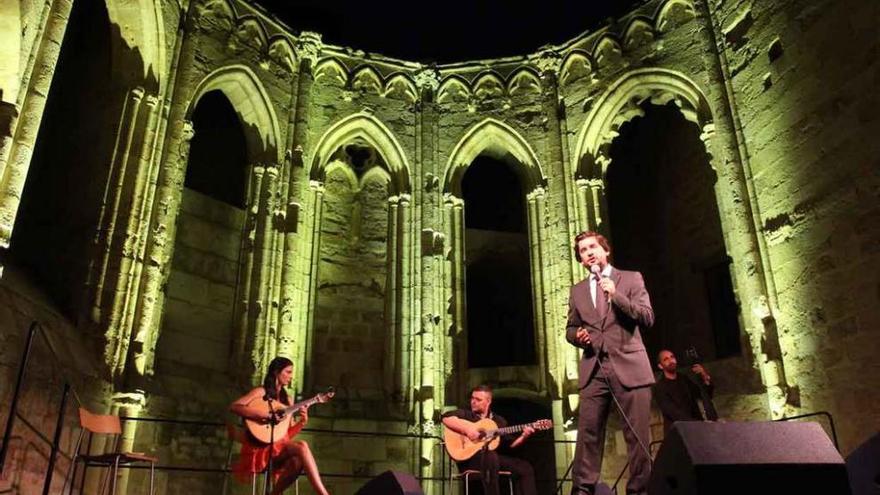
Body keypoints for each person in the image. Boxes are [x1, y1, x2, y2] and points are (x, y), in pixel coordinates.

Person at [565, 231, 654, 495]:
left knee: (637, 436)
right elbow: (570, 327)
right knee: (588, 435)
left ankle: (639, 490)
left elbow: (647, 317)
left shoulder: (630, 278)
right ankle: (583, 490)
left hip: (629, 365)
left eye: (593, 247)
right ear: (580, 259)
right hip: (594, 369)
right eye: (582, 250)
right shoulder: (578, 290)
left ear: (606, 250)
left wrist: (616, 295)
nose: (588, 252)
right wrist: (577, 336)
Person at [229, 356, 330, 495]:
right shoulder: (261, 393)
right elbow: (235, 406)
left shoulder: (287, 400)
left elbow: (286, 434)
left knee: (297, 461)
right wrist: (267, 416)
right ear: (277, 372)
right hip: (262, 450)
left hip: (280, 451)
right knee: (302, 446)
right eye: (288, 372)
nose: (291, 377)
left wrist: (302, 421)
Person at [442, 385, 538, 495]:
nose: (473, 402)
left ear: (488, 401)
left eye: (478, 400)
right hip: (469, 460)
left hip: (492, 460)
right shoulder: (466, 415)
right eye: (472, 398)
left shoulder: (498, 421)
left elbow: (510, 445)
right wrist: (468, 430)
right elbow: (445, 418)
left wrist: (524, 436)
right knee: (491, 456)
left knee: (525, 467)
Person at [652, 349, 719, 434]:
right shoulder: (660, 387)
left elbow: (704, 394)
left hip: (696, 429)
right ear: (660, 366)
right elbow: (674, 413)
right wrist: (698, 424)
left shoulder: (683, 379)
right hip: (678, 432)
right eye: (666, 359)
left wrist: (704, 376)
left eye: (672, 357)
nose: (670, 360)